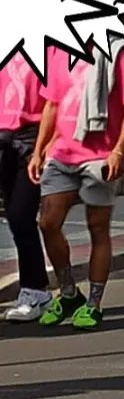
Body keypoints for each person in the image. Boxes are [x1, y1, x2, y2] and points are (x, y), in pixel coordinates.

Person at [28, 39, 124, 329]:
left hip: (99, 156)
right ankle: (69, 292)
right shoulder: (59, 53)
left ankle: (93, 303)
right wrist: (38, 150)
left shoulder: (117, 54)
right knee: (48, 222)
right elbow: (52, 105)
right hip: (62, 154)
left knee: (97, 227)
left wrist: (119, 150)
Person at [0, 56, 51, 321]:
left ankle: (35, 291)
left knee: (20, 216)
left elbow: (55, 101)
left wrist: (42, 149)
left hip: (30, 140)